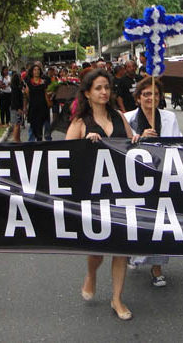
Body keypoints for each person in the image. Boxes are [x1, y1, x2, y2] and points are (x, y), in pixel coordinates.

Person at [66, 68, 139, 321]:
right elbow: (63, 156)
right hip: (93, 195)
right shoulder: (79, 122)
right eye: (98, 88)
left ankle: (117, 298)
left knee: (121, 247)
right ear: (87, 93)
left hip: (121, 192)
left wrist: (137, 139)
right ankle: (91, 273)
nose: (104, 92)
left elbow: (131, 144)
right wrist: (84, 144)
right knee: (97, 249)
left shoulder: (119, 116)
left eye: (107, 87)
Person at [124, 77, 181, 287]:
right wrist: (140, 137)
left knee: (161, 222)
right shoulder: (127, 118)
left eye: (155, 94)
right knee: (138, 219)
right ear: (138, 98)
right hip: (136, 179)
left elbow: (180, 142)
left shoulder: (169, 117)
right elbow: (120, 144)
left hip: (162, 177)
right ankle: (133, 252)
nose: (151, 98)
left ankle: (157, 267)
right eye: (146, 94)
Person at [24, 64, 50, 141]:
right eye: (35, 70)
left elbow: (47, 94)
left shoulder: (44, 82)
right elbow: (26, 96)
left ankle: (39, 143)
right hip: (33, 107)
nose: (36, 71)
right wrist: (25, 107)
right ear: (32, 72)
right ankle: (31, 143)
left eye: (38, 70)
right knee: (33, 127)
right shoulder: (28, 83)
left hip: (43, 107)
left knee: (40, 128)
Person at [10, 72, 25, 142]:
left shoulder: (18, 88)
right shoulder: (15, 89)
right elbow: (15, 100)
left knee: (18, 124)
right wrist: (18, 108)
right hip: (16, 108)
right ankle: (15, 139)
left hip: (17, 108)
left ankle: (18, 139)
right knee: (16, 124)